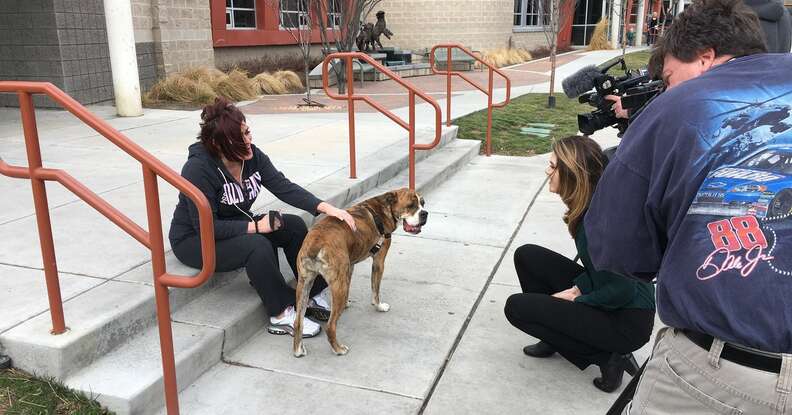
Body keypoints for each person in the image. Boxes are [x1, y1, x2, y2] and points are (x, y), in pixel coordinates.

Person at [585, 0, 792, 412]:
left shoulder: (681, 107)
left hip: (722, 371)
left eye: (669, 76)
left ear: (705, 57)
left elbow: (617, 249)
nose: (668, 88)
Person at [169, 98, 356, 338]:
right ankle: (281, 313)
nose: (248, 141)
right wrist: (256, 226)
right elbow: (208, 227)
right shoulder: (198, 169)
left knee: (294, 225)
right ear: (218, 144)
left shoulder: (252, 156)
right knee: (257, 244)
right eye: (240, 139)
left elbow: (282, 186)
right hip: (195, 240)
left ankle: (311, 292)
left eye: (247, 132)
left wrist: (327, 208)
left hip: (236, 223)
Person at [504, 136, 656, 393]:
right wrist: (579, 286)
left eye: (553, 166)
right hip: (615, 295)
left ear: (572, 173)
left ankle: (609, 356)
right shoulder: (591, 205)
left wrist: (577, 299)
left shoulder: (600, 222)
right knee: (527, 256)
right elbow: (601, 270)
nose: (547, 171)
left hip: (627, 321)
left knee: (516, 308)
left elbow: (623, 290)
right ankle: (555, 337)